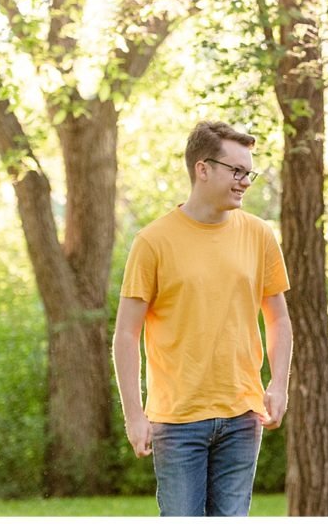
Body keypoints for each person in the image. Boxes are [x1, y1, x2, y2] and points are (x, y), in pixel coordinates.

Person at [113, 121, 293, 517]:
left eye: (249, 172)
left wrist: (278, 385)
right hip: (176, 421)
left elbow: (278, 317)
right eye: (237, 171)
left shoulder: (259, 235)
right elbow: (126, 334)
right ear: (203, 168)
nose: (245, 181)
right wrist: (134, 415)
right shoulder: (153, 242)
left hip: (242, 415)